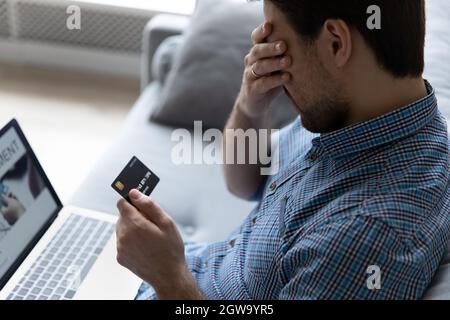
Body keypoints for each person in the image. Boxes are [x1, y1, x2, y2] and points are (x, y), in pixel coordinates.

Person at [116, 0, 450, 299]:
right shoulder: (356, 113)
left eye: (279, 47)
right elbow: (244, 183)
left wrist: (170, 279)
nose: (275, 63)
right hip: (191, 265)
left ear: (336, 43)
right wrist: (250, 107)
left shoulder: (366, 236)